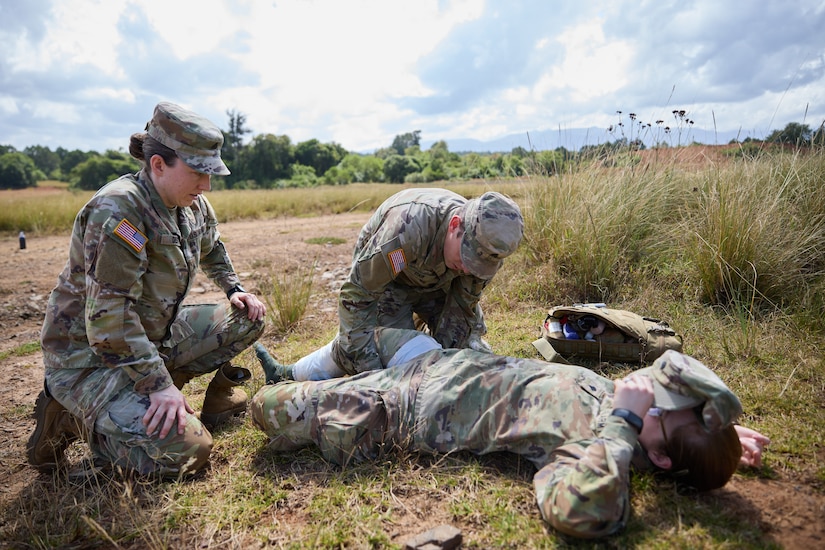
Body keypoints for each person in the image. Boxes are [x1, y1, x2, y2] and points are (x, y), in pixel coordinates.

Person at [251, 328, 770, 539]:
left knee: (263, 409)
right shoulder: (632, 411)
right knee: (362, 336)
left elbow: (580, 512)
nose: (643, 392)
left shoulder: (593, 447)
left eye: (656, 406)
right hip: (436, 358)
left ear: (654, 454)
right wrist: (712, 428)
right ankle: (296, 371)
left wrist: (626, 426)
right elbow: (661, 410)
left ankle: (287, 386)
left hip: (397, 407)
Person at [27, 102, 266, 479]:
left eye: (211, 173)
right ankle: (71, 419)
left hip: (149, 338)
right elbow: (109, 324)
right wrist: (158, 385)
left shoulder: (191, 203)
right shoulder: (119, 213)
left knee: (247, 319)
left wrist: (234, 288)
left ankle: (153, 396)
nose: (207, 185)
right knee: (190, 452)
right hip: (89, 358)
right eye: (198, 172)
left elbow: (212, 245)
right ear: (158, 165)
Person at [255, 187, 524, 382]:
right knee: (395, 364)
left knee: (461, 358)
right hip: (389, 284)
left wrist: (446, 357)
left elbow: (463, 306)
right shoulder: (407, 229)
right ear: (455, 225)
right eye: (466, 257)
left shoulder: (485, 250)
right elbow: (358, 295)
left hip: (438, 282)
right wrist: (370, 368)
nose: (469, 268)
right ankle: (287, 374)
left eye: (479, 265)